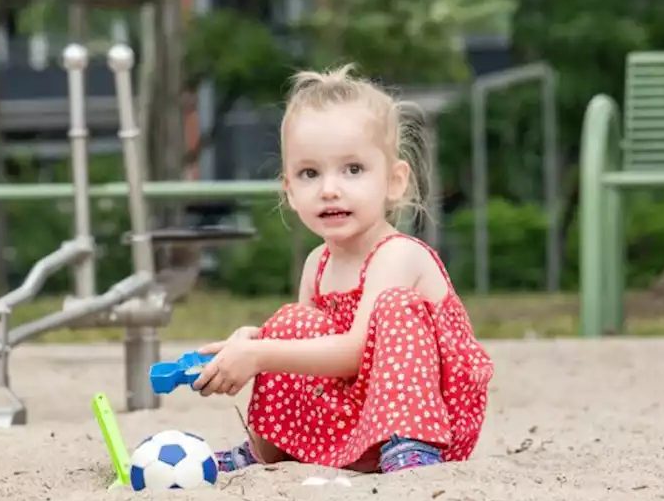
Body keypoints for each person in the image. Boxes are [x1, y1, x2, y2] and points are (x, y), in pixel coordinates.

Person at [193, 64, 494, 475]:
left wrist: (259, 355)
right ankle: (270, 449)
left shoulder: (397, 254)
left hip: (433, 420)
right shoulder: (318, 263)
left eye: (353, 169)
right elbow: (308, 363)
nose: (330, 188)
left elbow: (355, 352)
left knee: (394, 308)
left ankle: (410, 446)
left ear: (394, 181)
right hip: (354, 421)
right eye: (309, 173)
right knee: (290, 324)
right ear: (290, 191)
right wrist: (255, 341)